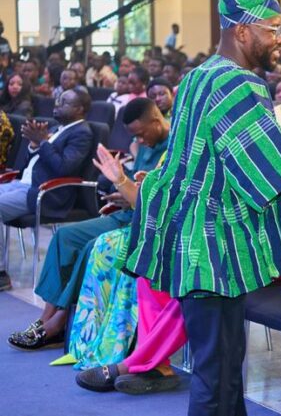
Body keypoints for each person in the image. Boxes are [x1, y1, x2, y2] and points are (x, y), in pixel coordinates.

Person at [121, 0, 281, 416]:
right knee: (216, 375)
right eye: (272, 29)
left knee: (223, 365)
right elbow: (270, 174)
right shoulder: (239, 85)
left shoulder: (198, 76)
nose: (280, 38)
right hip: (212, 249)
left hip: (197, 244)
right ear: (241, 31)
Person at [7, 97, 169, 348]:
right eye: (134, 136)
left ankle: (59, 321)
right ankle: (46, 317)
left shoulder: (171, 149)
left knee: (92, 247)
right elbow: (134, 187)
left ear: (156, 121)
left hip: (145, 223)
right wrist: (123, 193)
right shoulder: (144, 144)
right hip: (126, 213)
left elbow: (157, 197)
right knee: (64, 237)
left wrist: (128, 191)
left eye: (140, 134)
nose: (138, 140)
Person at [0, 88, 93, 293]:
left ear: (80, 109)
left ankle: (1, 275)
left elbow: (64, 167)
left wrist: (42, 142)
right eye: (57, 100)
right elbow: (35, 161)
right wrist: (34, 144)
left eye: (64, 102)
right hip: (24, 183)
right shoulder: (57, 128)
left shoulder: (82, 133)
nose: (57, 104)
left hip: (44, 192)